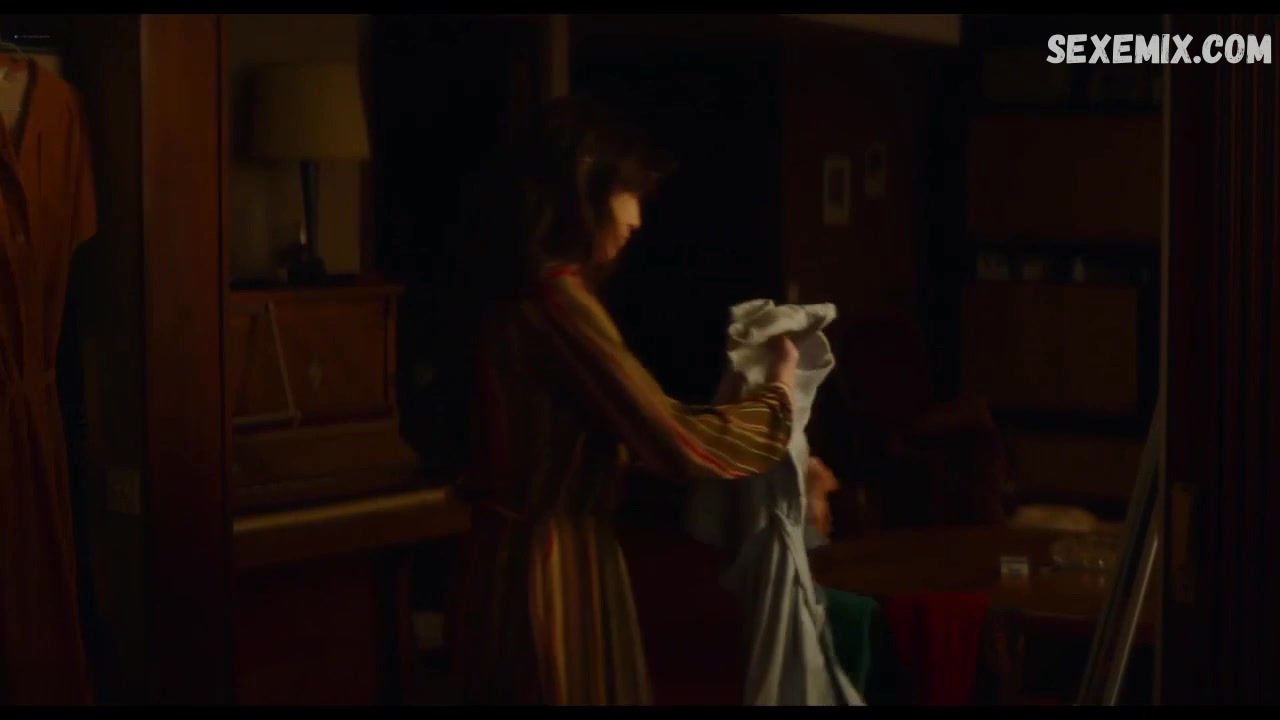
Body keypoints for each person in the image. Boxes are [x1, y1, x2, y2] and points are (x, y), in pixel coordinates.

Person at [445, 96, 800, 705]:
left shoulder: (525, 296)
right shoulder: (558, 304)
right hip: (553, 567)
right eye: (628, 193)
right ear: (584, 193)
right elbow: (672, 437)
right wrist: (778, 400)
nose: (637, 217)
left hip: (515, 557)